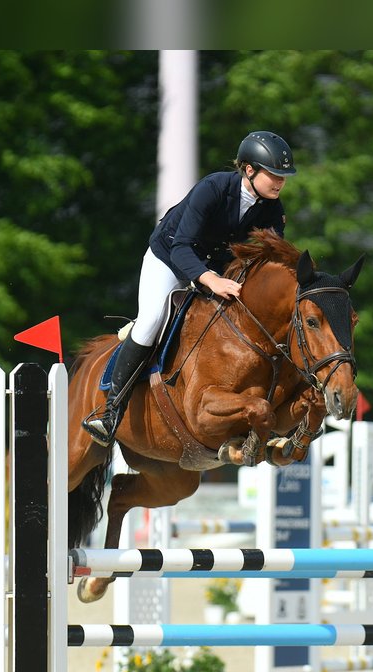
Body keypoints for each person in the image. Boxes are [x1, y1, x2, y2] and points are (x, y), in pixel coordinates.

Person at [82, 131, 297, 446]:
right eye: (274, 174)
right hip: (169, 258)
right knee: (153, 318)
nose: (280, 181)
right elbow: (183, 247)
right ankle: (111, 411)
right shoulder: (212, 189)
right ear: (249, 170)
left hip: (219, 267)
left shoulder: (273, 210)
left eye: (284, 176)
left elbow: (267, 261)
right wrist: (210, 280)